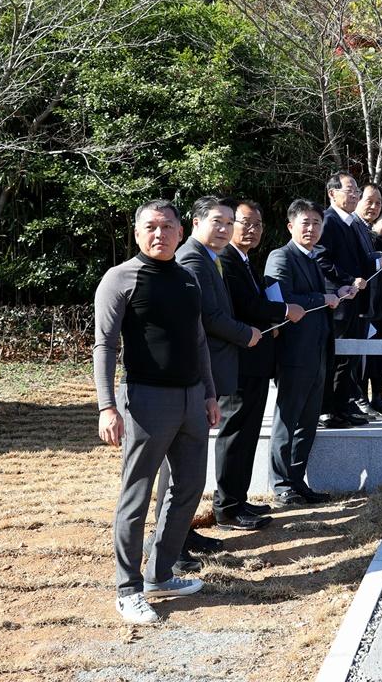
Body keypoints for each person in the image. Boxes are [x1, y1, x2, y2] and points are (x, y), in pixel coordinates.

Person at [94, 200, 217, 624]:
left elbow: (198, 342)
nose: (159, 234)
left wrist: (209, 394)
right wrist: (107, 405)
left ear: (181, 232)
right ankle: (127, 589)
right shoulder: (119, 279)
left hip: (191, 399)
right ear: (136, 233)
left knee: (188, 487)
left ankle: (160, 573)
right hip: (145, 401)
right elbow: (105, 346)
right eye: (150, 227)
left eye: (167, 227)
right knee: (137, 494)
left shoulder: (187, 279)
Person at [164, 198, 264, 552]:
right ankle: (175, 537)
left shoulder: (212, 258)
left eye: (228, 223)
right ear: (194, 223)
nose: (224, 229)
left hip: (214, 366)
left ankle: (182, 532)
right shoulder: (192, 258)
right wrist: (245, 333)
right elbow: (208, 317)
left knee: (191, 462)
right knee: (184, 463)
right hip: (190, 373)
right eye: (217, 222)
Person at [214, 199, 304, 530]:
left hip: (255, 361)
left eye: (258, 225)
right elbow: (247, 305)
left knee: (248, 432)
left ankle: (237, 499)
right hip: (239, 361)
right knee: (235, 432)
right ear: (229, 224)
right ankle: (226, 505)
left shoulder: (247, 261)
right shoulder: (226, 260)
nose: (252, 230)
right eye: (245, 223)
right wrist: (282, 312)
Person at [264, 199, 345, 506]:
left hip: (318, 351)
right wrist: (323, 296)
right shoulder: (280, 257)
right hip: (293, 352)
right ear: (290, 226)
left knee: (308, 421)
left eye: (316, 223)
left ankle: (298, 481)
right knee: (288, 419)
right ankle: (282, 484)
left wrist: (337, 294)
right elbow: (281, 298)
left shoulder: (313, 259)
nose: (311, 228)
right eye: (305, 222)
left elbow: (317, 300)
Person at [318, 173, 373, 427]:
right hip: (338, 300)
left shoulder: (354, 223)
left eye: (356, 191)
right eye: (349, 190)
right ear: (332, 193)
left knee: (348, 358)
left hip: (354, 300)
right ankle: (326, 409)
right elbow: (322, 259)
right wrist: (349, 280)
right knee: (335, 356)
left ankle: (342, 406)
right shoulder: (327, 221)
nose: (354, 195)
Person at [357, 184, 382, 416]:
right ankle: (361, 396)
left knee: (381, 353)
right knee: (365, 354)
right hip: (366, 304)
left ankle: (378, 396)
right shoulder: (367, 241)